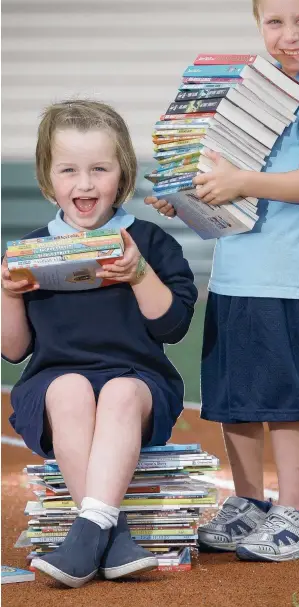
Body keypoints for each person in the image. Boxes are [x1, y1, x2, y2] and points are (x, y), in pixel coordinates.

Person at [145, 0, 299, 562]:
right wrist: (189, 196)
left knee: (285, 404)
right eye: (276, 23)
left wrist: (238, 183)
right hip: (237, 270)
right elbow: (234, 177)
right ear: (258, 23)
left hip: (287, 279)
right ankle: (249, 506)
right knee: (237, 399)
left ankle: (297, 516)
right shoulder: (261, 88)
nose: (291, 36)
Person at [1, 100, 198, 587]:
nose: (85, 184)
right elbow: (13, 350)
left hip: (138, 384)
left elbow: (171, 326)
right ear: (48, 179)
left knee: (119, 392)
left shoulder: (149, 243)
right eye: (68, 170)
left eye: (99, 169)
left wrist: (139, 274)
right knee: (69, 388)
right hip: (52, 384)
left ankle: (87, 532)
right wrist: (6, 294)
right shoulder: (28, 251)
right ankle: (111, 532)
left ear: (123, 174)